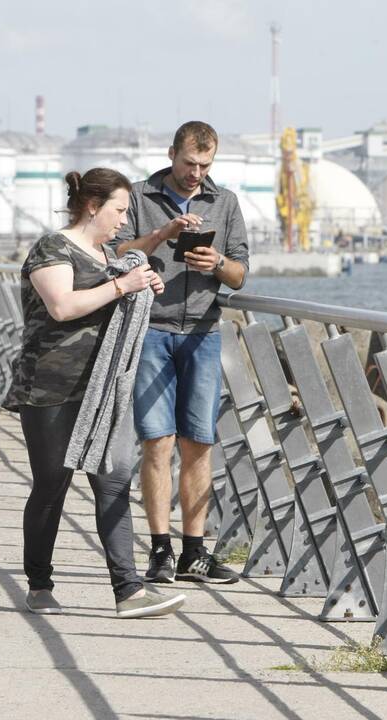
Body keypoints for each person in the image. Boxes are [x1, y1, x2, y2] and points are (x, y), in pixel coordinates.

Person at [2, 168, 185, 619]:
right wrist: (122, 286)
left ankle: (129, 591)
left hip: (102, 390)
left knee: (113, 481)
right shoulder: (53, 248)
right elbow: (62, 306)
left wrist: (141, 287)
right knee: (51, 485)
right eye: (120, 211)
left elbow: (113, 298)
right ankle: (39, 585)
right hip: (49, 387)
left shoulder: (107, 254)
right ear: (92, 206)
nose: (124, 221)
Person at [112, 121, 250, 585]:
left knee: (199, 442)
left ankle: (194, 551)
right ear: (171, 153)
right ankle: (159, 550)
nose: (196, 173)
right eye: (189, 163)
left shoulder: (225, 202)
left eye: (205, 165)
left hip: (204, 332)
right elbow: (115, 253)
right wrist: (162, 234)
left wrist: (218, 264)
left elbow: (240, 274)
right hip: (150, 330)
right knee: (157, 442)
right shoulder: (138, 196)